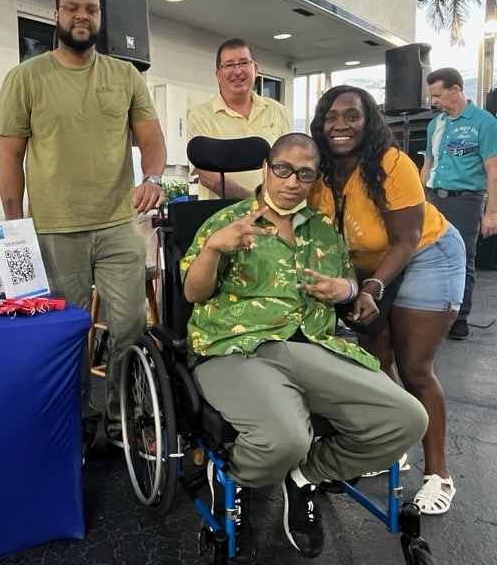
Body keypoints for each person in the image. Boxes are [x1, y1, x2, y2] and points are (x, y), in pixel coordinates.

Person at [183, 133, 428, 559]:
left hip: (313, 344)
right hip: (236, 348)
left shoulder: (323, 229)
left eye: (305, 174)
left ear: (315, 179)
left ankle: (306, 476)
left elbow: (347, 283)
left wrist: (345, 289)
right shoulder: (227, 222)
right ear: (266, 169)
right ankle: (235, 478)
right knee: (286, 440)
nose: (292, 181)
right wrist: (213, 250)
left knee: (407, 419)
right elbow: (193, 293)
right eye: (283, 169)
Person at [0, 0, 166, 460]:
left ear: (99, 17)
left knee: (129, 325)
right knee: (68, 336)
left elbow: (151, 140)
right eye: (71, 8)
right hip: (53, 229)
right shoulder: (25, 78)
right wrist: (15, 226)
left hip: (117, 224)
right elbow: (10, 156)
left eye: (90, 9)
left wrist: (153, 177)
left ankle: (122, 417)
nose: (81, 16)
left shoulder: (125, 75)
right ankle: (78, 422)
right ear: (56, 15)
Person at [309, 85, 465, 516]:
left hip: (426, 253)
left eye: (352, 115)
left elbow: (406, 239)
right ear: (321, 124)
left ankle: (439, 475)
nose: (340, 124)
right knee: (374, 362)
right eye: (331, 116)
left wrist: (372, 288)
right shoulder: (319, 172)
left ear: (369, 122)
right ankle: (394, 445)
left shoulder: (392, 163)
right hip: (365, 265)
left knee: (414, 368)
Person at [422, 67, 497, 340]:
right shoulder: (436, 124)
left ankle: (460, 318)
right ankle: (432, 313)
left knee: (462, 258)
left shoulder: (484, 122)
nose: (434, 101)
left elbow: (493, 170)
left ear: (456, 90)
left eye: (438, 95)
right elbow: (427, 164)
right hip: (433, 197)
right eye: (431, 96)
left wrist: (492, 212)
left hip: (465, 200)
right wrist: (418, 199)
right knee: (426, 256)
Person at [187, 38, 290, 200]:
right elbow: (209, 177)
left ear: (255, 69)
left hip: (271, 211)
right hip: (220, 213)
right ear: (218, 74)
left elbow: (288, 164)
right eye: (229, 65)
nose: (237, 71)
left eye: (243, 63)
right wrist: (254, 202)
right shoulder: (200, 115)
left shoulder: (276, 110)